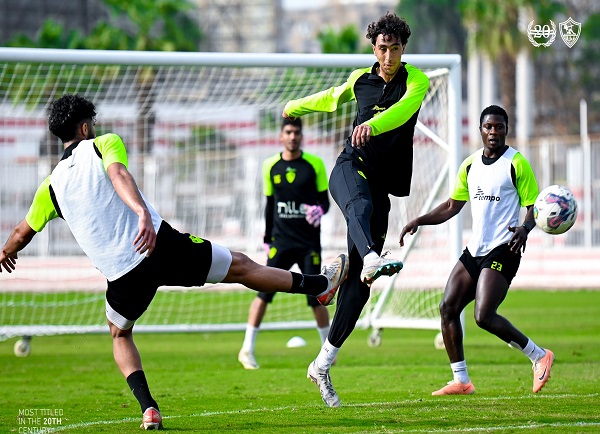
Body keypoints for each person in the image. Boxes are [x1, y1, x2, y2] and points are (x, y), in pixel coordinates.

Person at [0, 94, 349, 430]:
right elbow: (118, 174)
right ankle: (320, 286)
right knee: (241, 267)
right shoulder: (103, 144)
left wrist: (5, 252)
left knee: (119, 334)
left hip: (122, 276)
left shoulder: (50, 188)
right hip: (159, 245)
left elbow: (21, 233)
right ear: (84, 127)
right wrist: (140, 212)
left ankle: (148, 407)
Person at [282, 12, 429, 407]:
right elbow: (331, 98)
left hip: (383, 185)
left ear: (403, 48)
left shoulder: (416, 81)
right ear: (373, 48)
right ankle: (366, 258)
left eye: (395, 48)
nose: (388, 56)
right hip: (350, 167)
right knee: (359, 208)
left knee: (360, 290)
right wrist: (294, 106)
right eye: (382, 48)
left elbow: (402, 112)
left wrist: (373, 125)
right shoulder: (359, 79)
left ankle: (322, 364)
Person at [399, 105, 554, 396]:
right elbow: (451, 206)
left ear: (506, 130)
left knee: (483, 316)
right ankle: (461, 381)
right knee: (447, 308)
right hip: (476, 250)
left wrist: (525, 228)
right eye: (488, 127)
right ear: (480, 130)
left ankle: (539, 355)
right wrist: (419, 220)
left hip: (505, 248)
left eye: (499, 127)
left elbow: (534, 207)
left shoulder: (516, 163)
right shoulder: (470, 165)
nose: (493, 132)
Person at [238, 118, 333, 370]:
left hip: (309, 244)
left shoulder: (315, 164)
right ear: (281, 136)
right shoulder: (270, 165)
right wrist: (267, 239)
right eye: (288, 132)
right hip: (281, 242)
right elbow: (270, 205)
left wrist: (319, 210)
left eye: (296, 132)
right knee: (264, 292)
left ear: (302, 136)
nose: (292, 136)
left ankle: (328, 353)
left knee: (317, 296)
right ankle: (246, 349)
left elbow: (325, 202)